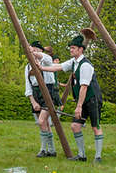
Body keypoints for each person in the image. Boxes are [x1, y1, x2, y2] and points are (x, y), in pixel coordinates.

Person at [41, 28, 103, 164]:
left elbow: (84, 87)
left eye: (73, 48)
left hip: (92, 99)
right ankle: (82, 155)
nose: (71, 50)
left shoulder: (86, 65)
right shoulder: (73, 62)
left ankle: (98, 157)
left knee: (95, 127)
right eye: (71, 47)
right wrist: (41, 68)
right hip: (83, 100)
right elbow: (58, 67)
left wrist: (79, 107)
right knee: (75, 126)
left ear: (81, 49)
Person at [24, 40, 57, 158]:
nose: (32, 52)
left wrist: (35, 53)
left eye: (35, 50)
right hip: (36, 94)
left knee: (42, 121)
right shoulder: (27, 67)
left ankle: (43, 149)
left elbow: (45, 58)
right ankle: (52, 150)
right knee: (45, 124)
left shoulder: (47, 61)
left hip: (48, 92)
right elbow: (28, 87)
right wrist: (33, 102)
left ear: (40, 51)